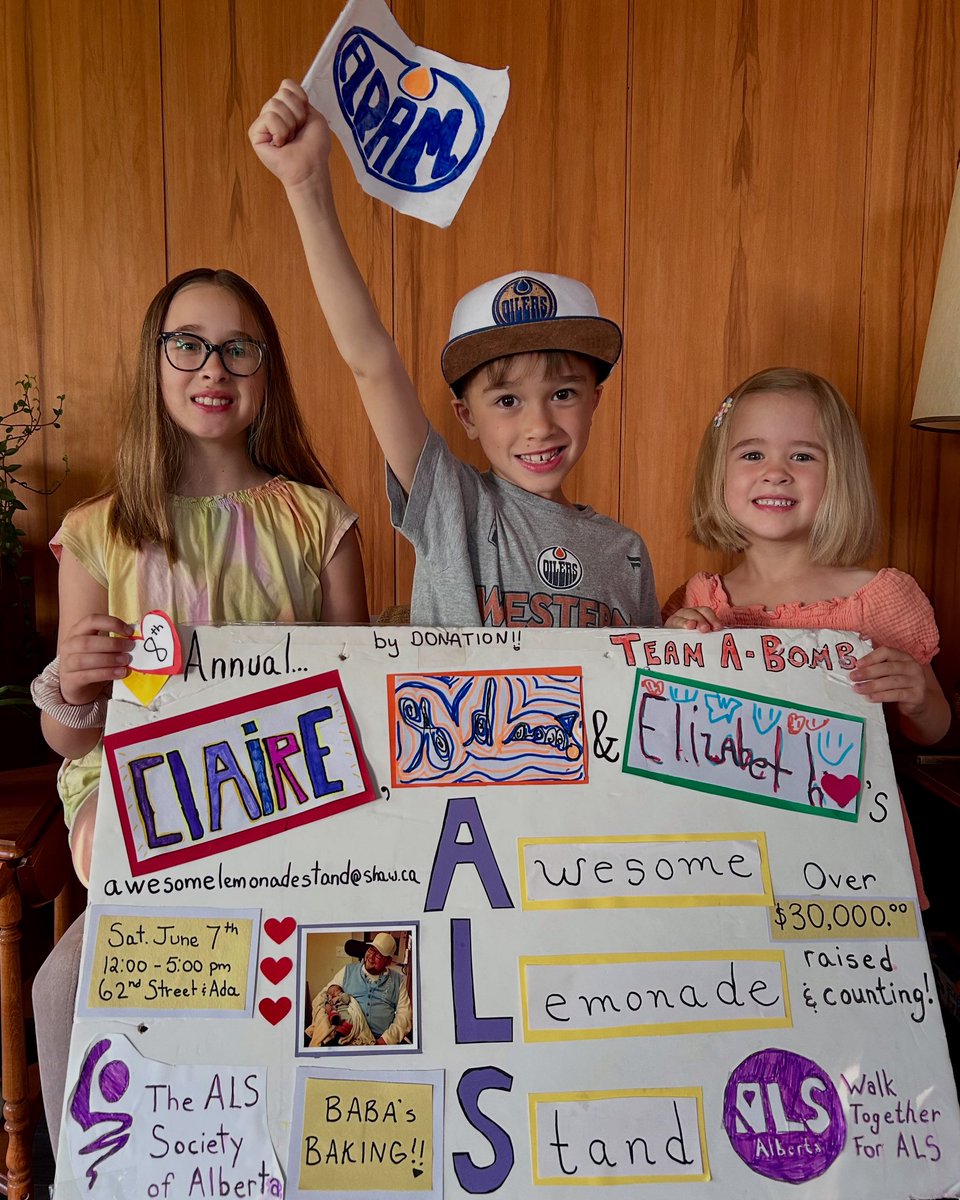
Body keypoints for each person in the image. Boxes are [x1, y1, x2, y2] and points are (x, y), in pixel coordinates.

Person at [31, 266, 369, 1151]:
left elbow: (357, 699)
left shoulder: (318, 521)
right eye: (188, 345)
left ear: (267, 371)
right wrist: (76, 683)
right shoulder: (98, 531)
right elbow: (68, 738)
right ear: (154, 361)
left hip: (288, 802)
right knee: (62, 985)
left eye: (237, 348)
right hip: (136, 804)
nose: (212, 367)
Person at [249, 80, 659, 629]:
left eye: (563, 393)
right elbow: (371, 361)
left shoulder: (626, 552)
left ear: (595, 401)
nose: (539, 426)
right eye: (508, 400)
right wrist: (306, 185)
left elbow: (648, 676)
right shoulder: (452, 504)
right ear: (465, 415)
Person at [663, 367, 950, 895]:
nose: (775, 473)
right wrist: (670, 645)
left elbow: (931, 730)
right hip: (727, 851)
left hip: (848, 856)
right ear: (718, 474)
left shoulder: (878, 597)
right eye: (752, 454)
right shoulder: (701, 600)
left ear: (839, 475)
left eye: (802, 456)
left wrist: (915, 696)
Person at [322, 933, 412, 1046]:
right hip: (347, 1036)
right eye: (371, 949)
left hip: (379, 1042)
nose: (371, 956)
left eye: (379, 954)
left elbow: (404, 1016)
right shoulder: (347, 971)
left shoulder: (398, 981)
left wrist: (385, 1040)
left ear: (388, 961)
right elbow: (326, 993)